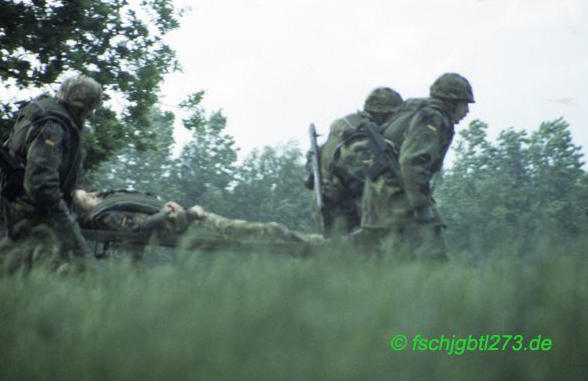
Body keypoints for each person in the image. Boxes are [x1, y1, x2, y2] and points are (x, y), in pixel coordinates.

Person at [358, 73, 474, 260]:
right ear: (451, 102)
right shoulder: (433, 117)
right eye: (464, 104)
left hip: (379, 198)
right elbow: (412, 162)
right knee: (434, 260)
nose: (467, 111)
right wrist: (421, 206)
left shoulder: (414, 110)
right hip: (399, 201)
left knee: (390, 261)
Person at [0, 75, 102, 264]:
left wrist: (81, 190)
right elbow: (40, 183)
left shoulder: (59, 121)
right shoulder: (53, 127)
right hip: (25, 213)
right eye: (90, 108)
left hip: (29, 209)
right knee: (19, 276)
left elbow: (72, 167)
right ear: (79, 106)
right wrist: (66, 221)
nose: (90, 114)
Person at [71, 190, 326, 260]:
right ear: (84, 210)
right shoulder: (104, 217)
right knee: (268, 231)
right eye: (88, 198)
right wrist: (190, 214)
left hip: (189, 223)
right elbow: (141, 226)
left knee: (262, 231)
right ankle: (321, 246)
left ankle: (317, 244)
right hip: (193, 227)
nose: (94, 195)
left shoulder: (105, 208)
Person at [305, 87, 403, 235]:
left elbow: (313, 161)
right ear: (384, 114)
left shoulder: (344, 128)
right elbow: (361, 180)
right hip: (343, 215)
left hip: (323, 209)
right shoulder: (359, 135)